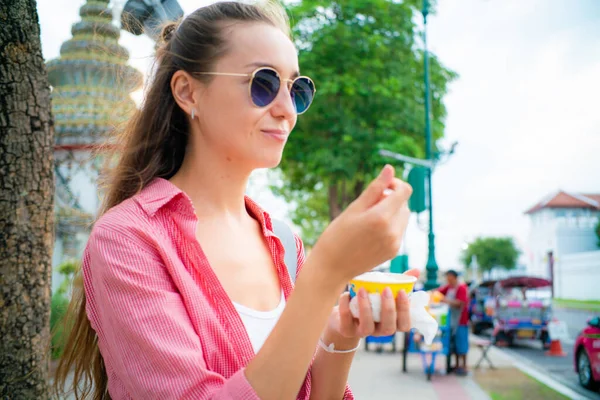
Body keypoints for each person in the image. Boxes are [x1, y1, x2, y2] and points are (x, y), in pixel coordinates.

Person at [54, 2, 417, 399]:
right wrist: (326, 273)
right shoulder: (128, 239)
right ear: (188, 91)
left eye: (297, 90)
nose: (285, 110)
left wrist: (339, 334)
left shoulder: (283, 242)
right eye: (263, 84)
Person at [438, 269, 470, 376]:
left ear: (455, 277)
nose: (448, 281)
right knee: (455, 344)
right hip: (452, 321)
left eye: (450, 279)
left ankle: (464, 366)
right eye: (447, 279)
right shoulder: (449, 287)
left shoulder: (461, 288)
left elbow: (460, 303)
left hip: (461, 321)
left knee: (462, 344)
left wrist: (445, 300)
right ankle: (456, 365)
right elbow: (439, 292)